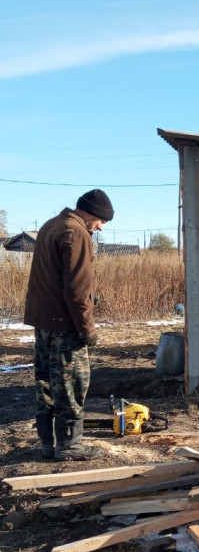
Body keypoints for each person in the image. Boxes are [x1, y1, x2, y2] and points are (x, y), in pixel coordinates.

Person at [24, 189, 115, 461]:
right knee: (71, 384)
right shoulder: (76, 233)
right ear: (90, 213)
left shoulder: (52, 225)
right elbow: (77, 290)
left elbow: (56, 277)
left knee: (46, 384)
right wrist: (88, 330)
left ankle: (48, 445)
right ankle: (70, 447)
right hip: (66, 325)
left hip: (44, 321)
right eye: (101, 221)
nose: (100, 228)